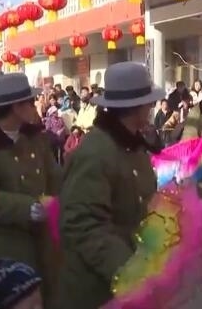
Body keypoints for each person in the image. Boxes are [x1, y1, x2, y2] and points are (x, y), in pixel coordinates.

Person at [58, 62, 166, 309]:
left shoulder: (131, 145)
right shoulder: (97, 151)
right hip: (98, 288)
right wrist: (131, 269)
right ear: (136, 107)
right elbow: (83, 224)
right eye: (148, 102)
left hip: (129, 284)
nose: (152, 107)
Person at [0, 74, 61, 305]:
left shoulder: (35, 138)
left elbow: (55, 177)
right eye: (30, 102)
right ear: (16, 107)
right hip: (4, 245)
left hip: (43, 241)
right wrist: (28, 207)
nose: (35, 106)